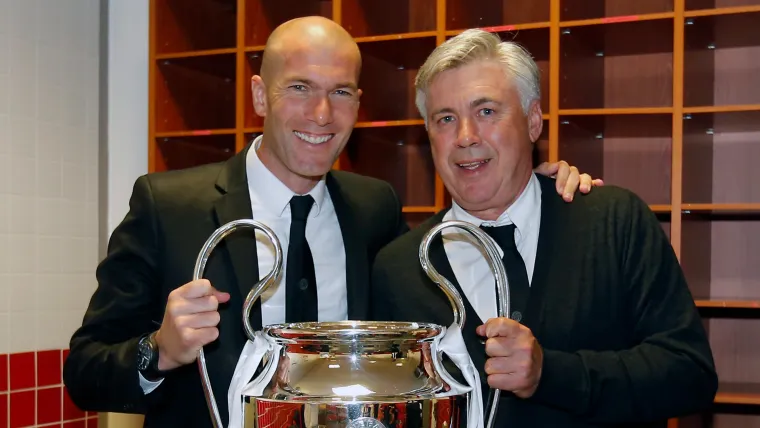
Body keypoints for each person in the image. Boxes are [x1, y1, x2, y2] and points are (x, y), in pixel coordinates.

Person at [62, 17, 598, 426]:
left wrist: (539, 184)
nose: (321, 114)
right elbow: (85, 373)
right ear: (258, 96)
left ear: (358, 103)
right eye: (299, 88)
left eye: (340, 92)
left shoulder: (374, 209)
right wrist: (159, 350)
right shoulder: (167, 205)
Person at [370, 29, 718, 428]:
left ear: (533, 121)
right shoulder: (399, 268)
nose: (465, 137)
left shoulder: (613, 221)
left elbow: (690, 374)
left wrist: (550, 374)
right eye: (445, 119)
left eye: (486, 111)